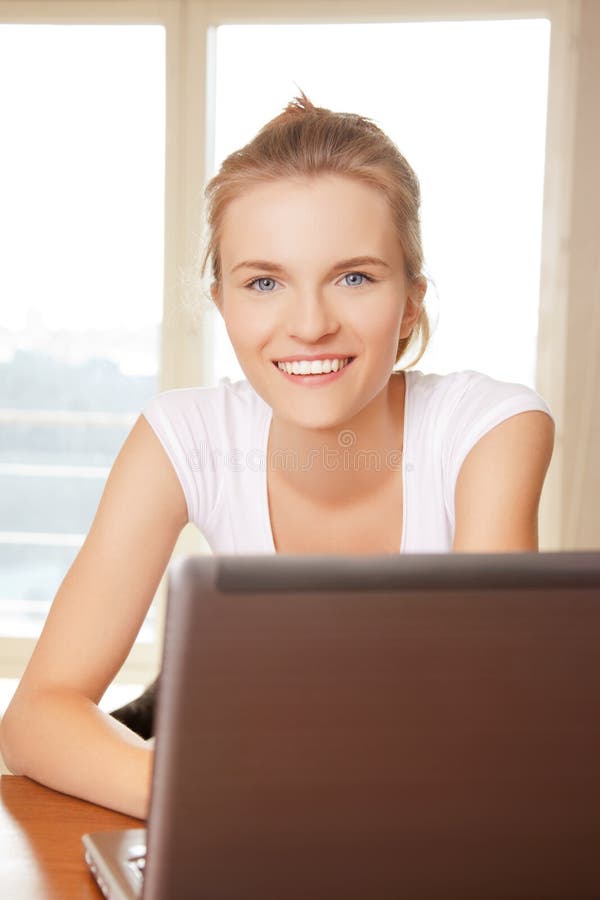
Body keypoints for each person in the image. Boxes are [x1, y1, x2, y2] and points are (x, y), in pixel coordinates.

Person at [0, 91, 555, 818]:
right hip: (239, 795)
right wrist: (217, 803)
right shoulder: (181, 436)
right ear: (223, 302)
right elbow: (36, 716)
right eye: (264, 283)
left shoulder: (490, 428)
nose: (310, 325)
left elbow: (484, 723)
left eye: (354, 277)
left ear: (412, 303)